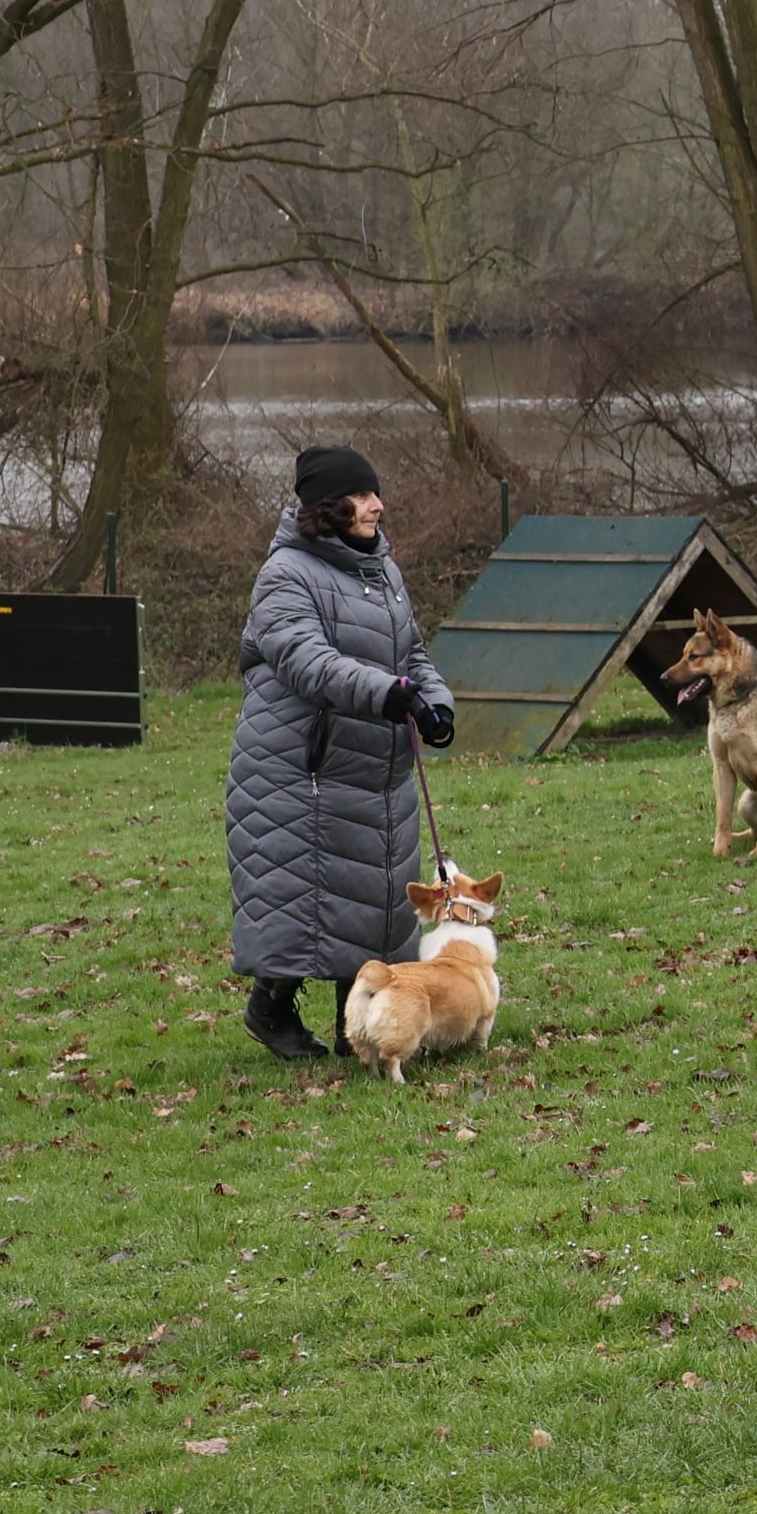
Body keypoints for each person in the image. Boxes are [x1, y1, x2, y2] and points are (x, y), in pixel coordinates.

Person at [225, 446, 458, 1062]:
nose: (377, 505)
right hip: (299, 772)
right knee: (301, 901)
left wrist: (435, 704)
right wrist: (388, 694)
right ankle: (270, 1009)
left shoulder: (383, 571)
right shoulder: (284, 575)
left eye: (375, 493)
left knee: (373, 901)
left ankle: (357, 1023)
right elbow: (308, 661)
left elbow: (412, 654)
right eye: (361, 496)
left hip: (375, 771)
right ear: (328, 508)